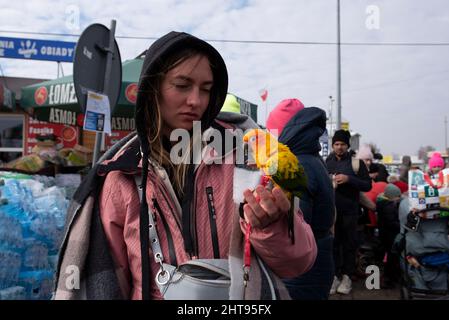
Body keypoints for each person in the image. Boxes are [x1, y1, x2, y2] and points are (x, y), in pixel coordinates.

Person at [53, 31, 317, 300]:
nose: (196, 101)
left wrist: (271, 228)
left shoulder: (246, 157)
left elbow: (299, 262)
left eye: (206, 89)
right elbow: (110, 283)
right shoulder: (120, 174)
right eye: (182, 85)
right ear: (152, 88)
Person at [266, 99, 335, 300]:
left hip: (301, 269)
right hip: (317, 261)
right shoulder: (312, 158)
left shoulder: (295, 165)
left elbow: (294, 229)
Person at [326, 129, 372, 295]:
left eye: (342, 144)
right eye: (336, 144)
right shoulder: (326, 162)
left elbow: (367, 186)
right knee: (333, 244)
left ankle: (347, 276)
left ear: (348, 145)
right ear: (333, 145)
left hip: (351, 212)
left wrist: (349, 179)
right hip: (331, 212)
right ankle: (334, 276)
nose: (339, 147)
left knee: (349, 244)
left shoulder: (356, 163)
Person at [376, 183, 402, 288]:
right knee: (392, 257)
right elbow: (391, 222)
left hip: (385, 234)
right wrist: (402, 227)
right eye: (398, 196)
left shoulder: (382, 202)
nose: (399, 198)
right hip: (389, 235)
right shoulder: (388, 206)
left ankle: (390, 277)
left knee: (390, 256)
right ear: (392, 196)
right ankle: (388, 279)